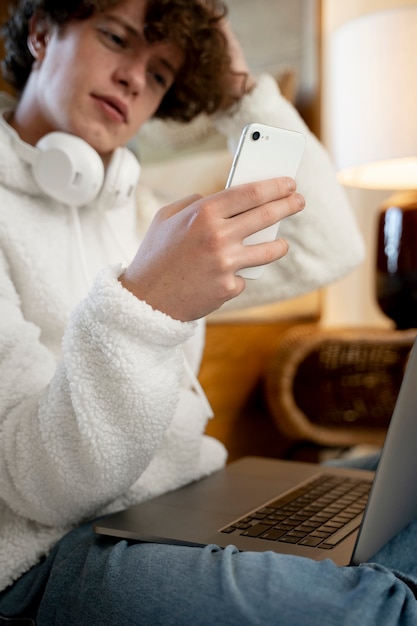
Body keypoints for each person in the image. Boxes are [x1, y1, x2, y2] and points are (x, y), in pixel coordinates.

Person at [1, 0, 417, 624]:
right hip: (54, 554)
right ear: (40, 32)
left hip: (194, 504)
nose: (135, 79)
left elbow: (327, 247)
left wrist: (241, 95)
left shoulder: (147, 211)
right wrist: (145, 304)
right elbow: (43, 485)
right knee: (362, 607)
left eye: (162, 73)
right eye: (116, 38)